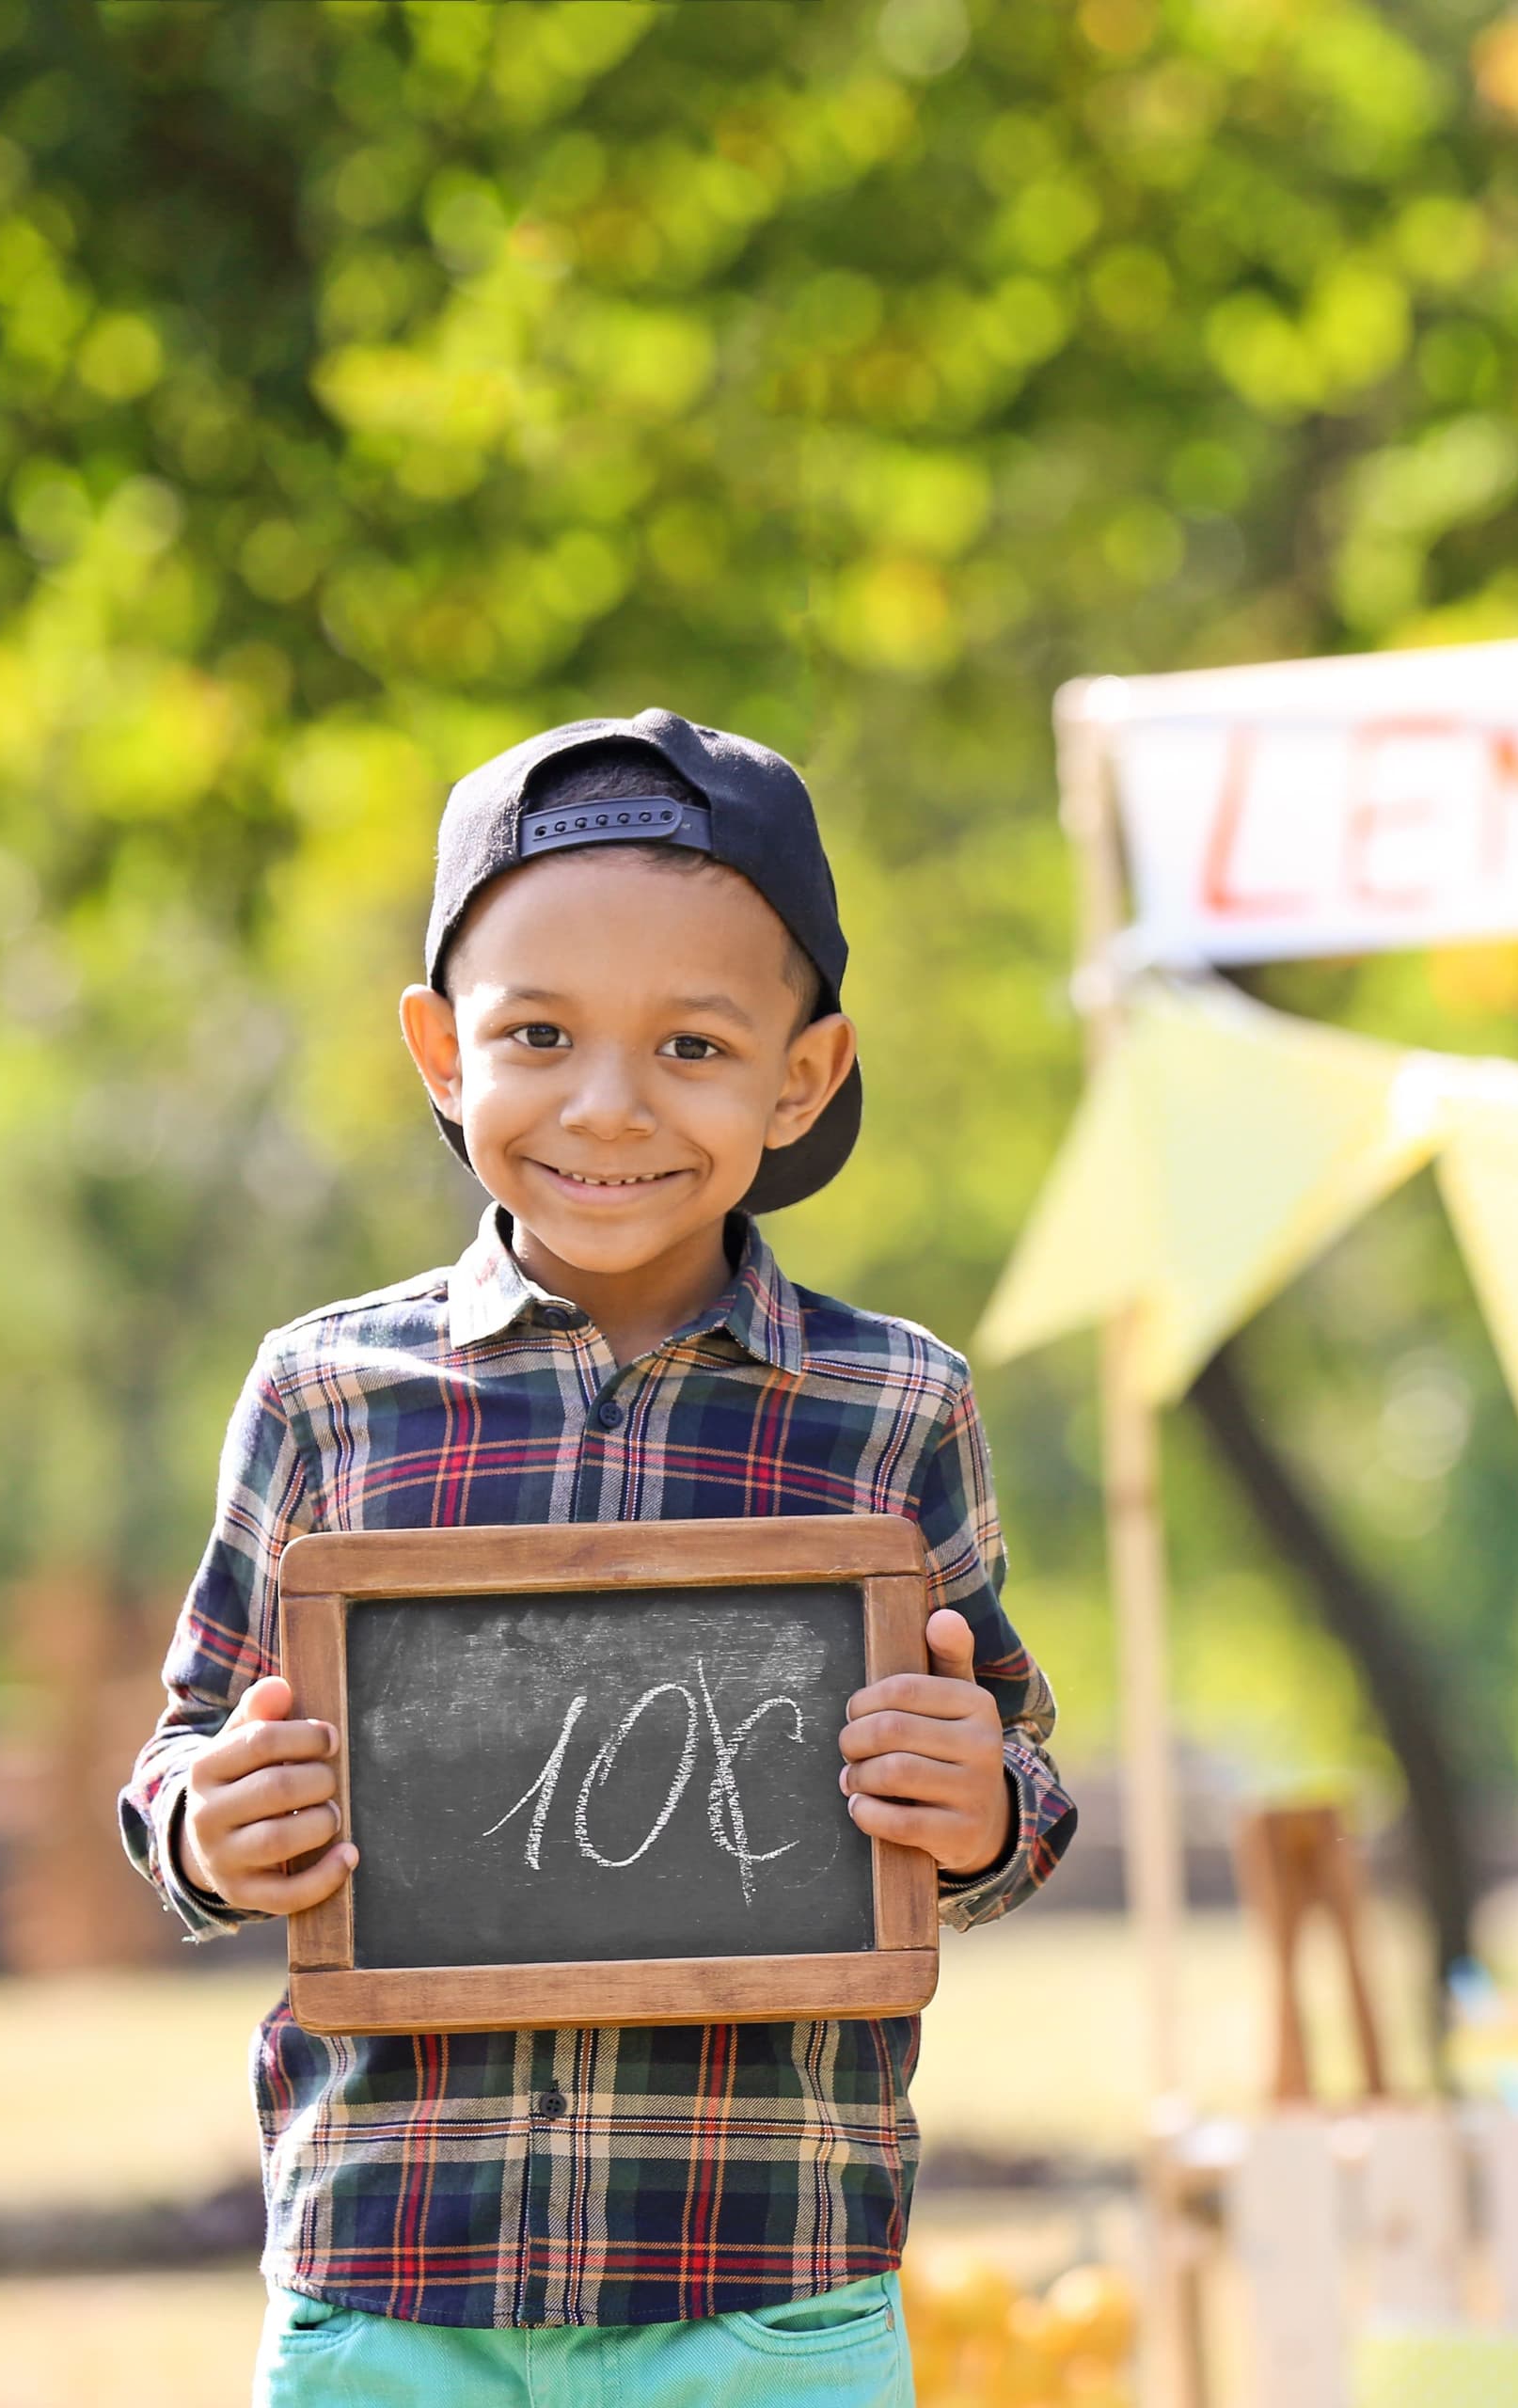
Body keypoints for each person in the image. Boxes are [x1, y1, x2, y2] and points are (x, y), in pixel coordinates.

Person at [118, 710, 1078, 2406]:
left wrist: (981, 1802)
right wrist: (215, 1823)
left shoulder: (889, 1407)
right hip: (394, 2277)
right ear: (440, 1051)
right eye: (540, 1034)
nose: (609, 1106)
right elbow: (182, 1758)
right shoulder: (331, 1397)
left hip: (766, 2284)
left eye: (695, 1047)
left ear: (806, 1071)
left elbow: (1011, 1790)